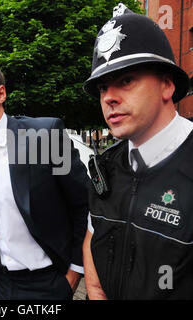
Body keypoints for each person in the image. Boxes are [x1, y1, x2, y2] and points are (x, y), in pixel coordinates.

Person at [0, 49, 89, 300]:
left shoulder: (43, 136)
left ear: (0, 93)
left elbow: (84, 204)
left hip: (45, 283)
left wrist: (73, 274)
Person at [82, 3, 192, 299]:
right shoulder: (104, 167)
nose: (109, 98)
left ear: (167, 85)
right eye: (103, 88)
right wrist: (94, 292)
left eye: (126, 80)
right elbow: (93, 238)